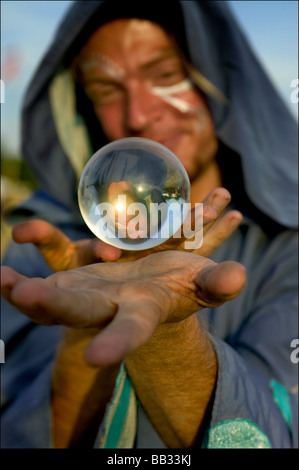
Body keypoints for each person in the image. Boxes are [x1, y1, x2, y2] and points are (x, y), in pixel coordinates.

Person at [1, 1, 298, 449]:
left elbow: (279, 433)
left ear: (221, 82)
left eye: (164, 75)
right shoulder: (51, 245)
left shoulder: (286, 248)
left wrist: (168, 330)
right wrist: (86, 328)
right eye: (105, 88)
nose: (138, 114)